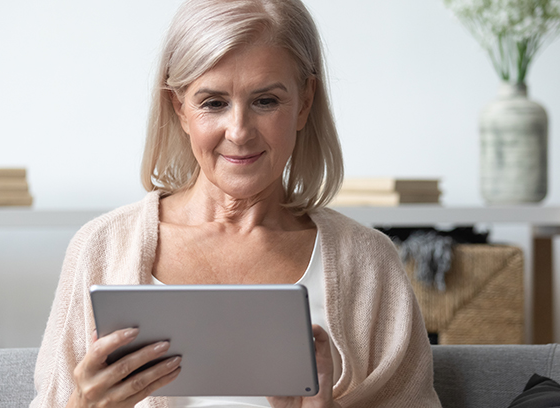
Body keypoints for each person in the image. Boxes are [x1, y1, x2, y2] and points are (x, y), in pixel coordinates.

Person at [31, 0, 441, 407]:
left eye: (266, 101)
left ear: (305, 101)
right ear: (180, 108)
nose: (240, 131)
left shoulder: (369, 263)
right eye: (213, 103)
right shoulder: (101, 248)